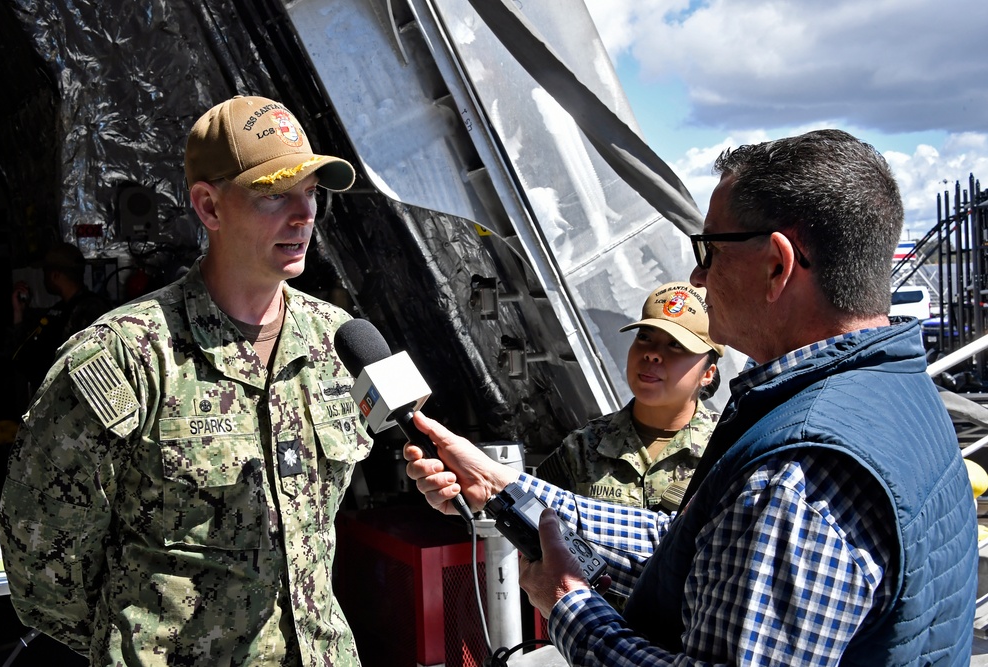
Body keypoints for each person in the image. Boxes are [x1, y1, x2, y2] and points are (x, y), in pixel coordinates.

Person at [404, 129, 977, 665]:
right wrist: (503, 488)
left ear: (778, 264)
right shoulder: (894, 397)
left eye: (710, 251)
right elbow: (698, 546)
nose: (699, 279)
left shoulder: (795, 476)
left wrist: (568, 607)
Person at [0, 95, 371, 666]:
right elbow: (42, 561)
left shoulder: (336, 341)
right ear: (209, 207)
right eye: (274, 194)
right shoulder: (124, 356)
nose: (303, 215)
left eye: (312, 192)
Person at [536, 281, 723, 515]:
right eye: (645, 337)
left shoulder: (725, 448)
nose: (652, 354)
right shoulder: (582, 448)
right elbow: (536, 535)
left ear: (707, 374)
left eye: (676, 345)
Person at [9, 242, 110, 404]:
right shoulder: (57, 311)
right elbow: (25, 356)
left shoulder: (90, 310)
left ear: (54, 275)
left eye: (45, 272)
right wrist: (19, 313)